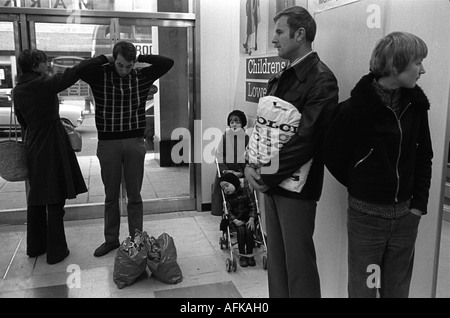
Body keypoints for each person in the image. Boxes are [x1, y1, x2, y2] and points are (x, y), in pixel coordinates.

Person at [323, 32, 433, 298]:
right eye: (417, 62)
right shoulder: (354, 109)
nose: (423, 70)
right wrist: (363, 181)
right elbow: (332, 153)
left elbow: (423, 156)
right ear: (396, 65)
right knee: (364, 290)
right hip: (367, 219)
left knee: (397, 290)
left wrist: (418, 205)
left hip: (406, 218)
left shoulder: (415, 106)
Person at [244, 6, 339, 298]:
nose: (273, 39)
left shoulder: (321, 79)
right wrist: (249, 164)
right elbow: (263, 129)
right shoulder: (282, 76)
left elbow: (307, 139)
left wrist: (266, 174)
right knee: (277, 261)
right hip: (271, 182)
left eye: (279, 32)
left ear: (300, 34)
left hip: (296, 188)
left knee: (299, 265)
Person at [79, 41, 174, 257]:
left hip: (134, 142)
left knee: (135, 196)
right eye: (120, 65)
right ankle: (111, 240)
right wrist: (105, 58)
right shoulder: (100, 75)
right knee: (111, 195)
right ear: (114, 60)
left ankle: (137, 241)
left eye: (128, 66)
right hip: (108, 143)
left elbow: (168, 62)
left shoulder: (142, 77)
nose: (124, 70)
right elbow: (81, 69)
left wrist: (141, 59)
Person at [13, 49, 95, 264]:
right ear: (34, 65)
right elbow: (72, 74)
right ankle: (57, 251)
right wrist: (101, 60)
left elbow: (23, 122)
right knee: (55, 197)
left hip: (34, 142)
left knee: (37, 196)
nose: (47, 64)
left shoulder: (18, 90)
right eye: (43, 61)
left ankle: (36, 246)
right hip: (51, 142)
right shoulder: (42, 85)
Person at [211, 110, 249, 216]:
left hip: (240, 170)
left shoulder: (246, 138)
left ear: (242, 124)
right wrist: (226, 170)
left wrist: (241, 172)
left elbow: (248, 156)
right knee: (221, 181)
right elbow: (218, 155)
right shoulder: (225, 137)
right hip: (226, 169)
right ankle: (220, 210)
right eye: (232, 122)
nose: (234, 124)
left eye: (237, 122)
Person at [219, 172, 257, 267]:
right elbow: (229, 212)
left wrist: (252, 218)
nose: (226, 189)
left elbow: (252, 206)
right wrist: (235, 220)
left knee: (249, 231)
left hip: (248, 219)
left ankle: (250, 255)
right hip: (235, 221)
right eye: (223, 188)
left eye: (227, 185)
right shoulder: (228, 198)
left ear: (235, 183)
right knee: (241, 231)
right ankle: (242, 256)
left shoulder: (246, 191)